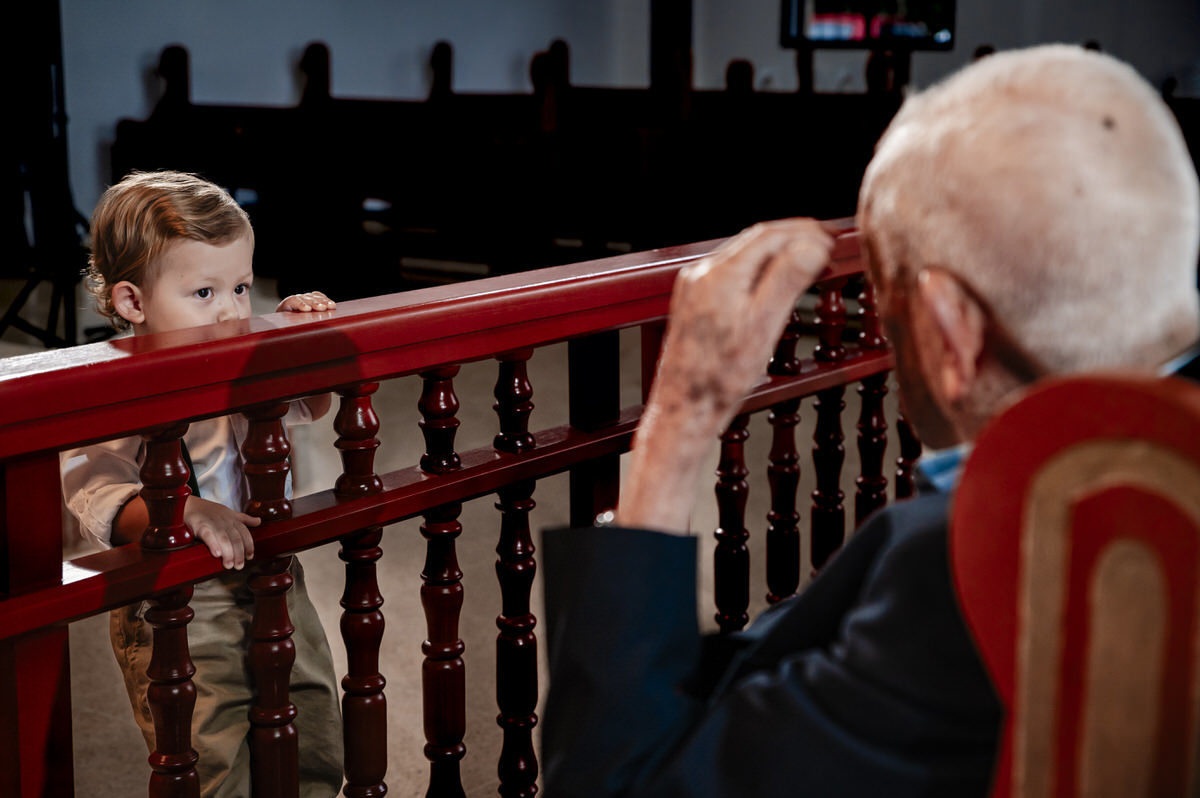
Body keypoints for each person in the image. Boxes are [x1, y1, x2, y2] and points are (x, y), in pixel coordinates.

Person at [542, 45, 1200, 796]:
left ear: (950, 332)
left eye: (889, 304)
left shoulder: (975, 564)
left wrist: (680, 416)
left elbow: (613, 784)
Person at [60, 170, 344, 797]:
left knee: (313, 719)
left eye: (241, 287)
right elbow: (94, 490)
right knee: (211, 748)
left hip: (273, 569)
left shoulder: (241, 354)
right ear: (134, 303)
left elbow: (311, 404)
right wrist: (182, 510)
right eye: (204, 292)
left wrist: (304, 340)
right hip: (177, 596)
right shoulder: (113, 385)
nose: (232, 311)